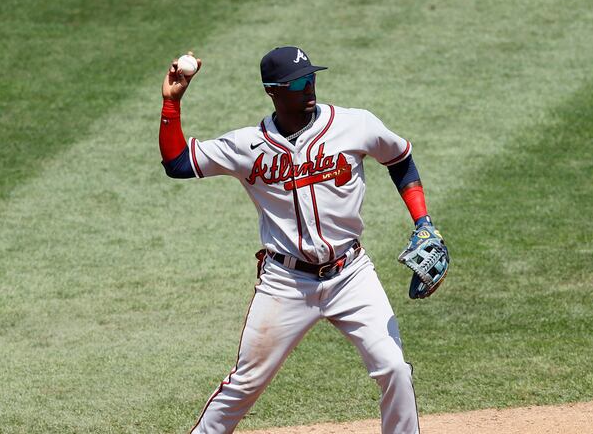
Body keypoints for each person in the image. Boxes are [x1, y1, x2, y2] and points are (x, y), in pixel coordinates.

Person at [158, 46, 447, 434]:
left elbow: (400, 158)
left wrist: (422, 221)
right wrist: (171, 103)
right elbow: (178, 163)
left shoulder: (354, 125)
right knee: (244, 384)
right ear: (273, 90)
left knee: (394, 367)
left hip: (351, 274)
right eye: (297, 82)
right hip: (286, 283)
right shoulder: (248, 145)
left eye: (310, 77)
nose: (309, 87)